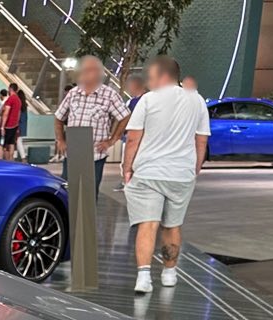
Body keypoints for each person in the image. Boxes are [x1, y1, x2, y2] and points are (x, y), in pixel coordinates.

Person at [122, 55, 210, 294]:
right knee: (173, 225)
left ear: (162, 75)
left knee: (148, 224)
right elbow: (201, 140)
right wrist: (195, 167)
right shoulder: (197, 100)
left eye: (151, 76)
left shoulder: (148, 100)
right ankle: (169, 274)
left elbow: (133, 138)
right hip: (181, 174)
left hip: (149, 172)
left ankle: (143, 278)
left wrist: (127, 168)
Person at [53, 56, 130, 191]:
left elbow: (125, 116)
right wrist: (60, 140)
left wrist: (112, 140)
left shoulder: (109, 95)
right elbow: (59, 117)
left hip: (95, 155)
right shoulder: (73, 93)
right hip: (73, 153)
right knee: (67, 193)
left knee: (87, 195)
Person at [0, 84, 24, 158]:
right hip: (14, 125)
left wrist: (2, 127)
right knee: (11, 143)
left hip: (7, 125)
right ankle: (10, 160)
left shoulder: (10, 99)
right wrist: (16, 124)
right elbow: (18, 114)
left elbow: (6, 113)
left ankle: (0, 161)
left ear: (10, 89)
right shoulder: (19, 100)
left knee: (1, 144)